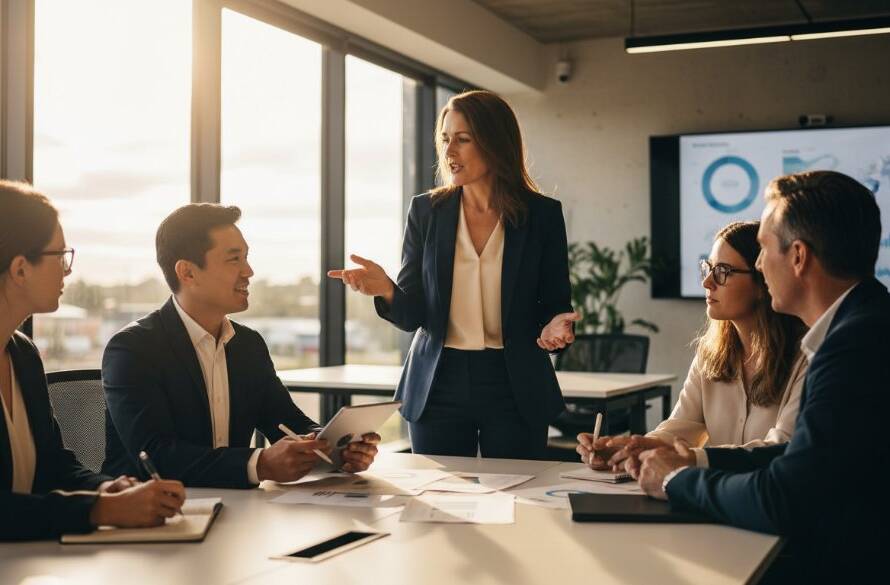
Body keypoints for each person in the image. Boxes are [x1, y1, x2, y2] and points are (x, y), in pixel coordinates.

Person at [635, 171, 888, 581]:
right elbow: (794, 458)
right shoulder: (862, 322)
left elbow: (782, 497)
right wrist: (693, 459)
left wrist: (678, 481)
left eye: (764, 249)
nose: (757, 264)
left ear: (799, 256)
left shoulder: (852, 346)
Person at [328, 90, 577, 459]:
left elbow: (555, 301)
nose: (449, 152)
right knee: (439, 504)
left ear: (495, 143)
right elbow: (414, 315)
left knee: (519, 501)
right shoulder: (427, 211)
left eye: (462, 139)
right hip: (438, 382)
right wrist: (387, 290)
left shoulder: (541, 215)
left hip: (514, 382)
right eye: (445, 139)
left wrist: (556, 325)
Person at [102, 204, 380, 488]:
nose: (249, 271)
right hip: (152, 517)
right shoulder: (132, 349)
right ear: (187, 272)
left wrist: (335, 447)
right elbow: (156, 456)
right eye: (234, 260)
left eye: (246, 258)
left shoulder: (247, 345)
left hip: (237, 508)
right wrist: (260, 464)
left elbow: (287, 421)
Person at [0, 180, 184, 540]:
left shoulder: (21, 354)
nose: (68, 270)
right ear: (21, 268)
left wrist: (107, 489)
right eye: (60, 256)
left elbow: (53, 465)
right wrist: (101, 510)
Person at [576, 221, 807, 473]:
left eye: (723, 271)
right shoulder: (711, 353)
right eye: (707, 268)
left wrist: (693, 460)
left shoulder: (805, 356)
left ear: (763, 280)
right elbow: (680, 429)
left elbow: (783, 447)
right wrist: (627, 448)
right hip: (712, 498)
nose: (707, 282)